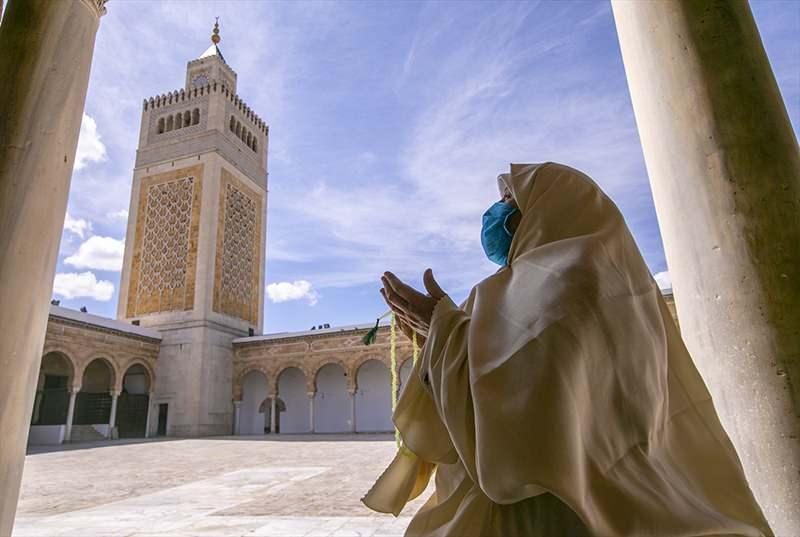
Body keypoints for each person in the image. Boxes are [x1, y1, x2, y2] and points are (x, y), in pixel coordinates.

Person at [362, 162, 772, 536]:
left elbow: (537, 389)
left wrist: (444, 330)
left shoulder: (583, 275)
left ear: (552, 205)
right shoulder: (510, 290)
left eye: (510, 199)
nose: (497, 211)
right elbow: (488, 381)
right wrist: (436, 340)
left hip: (560, 505)